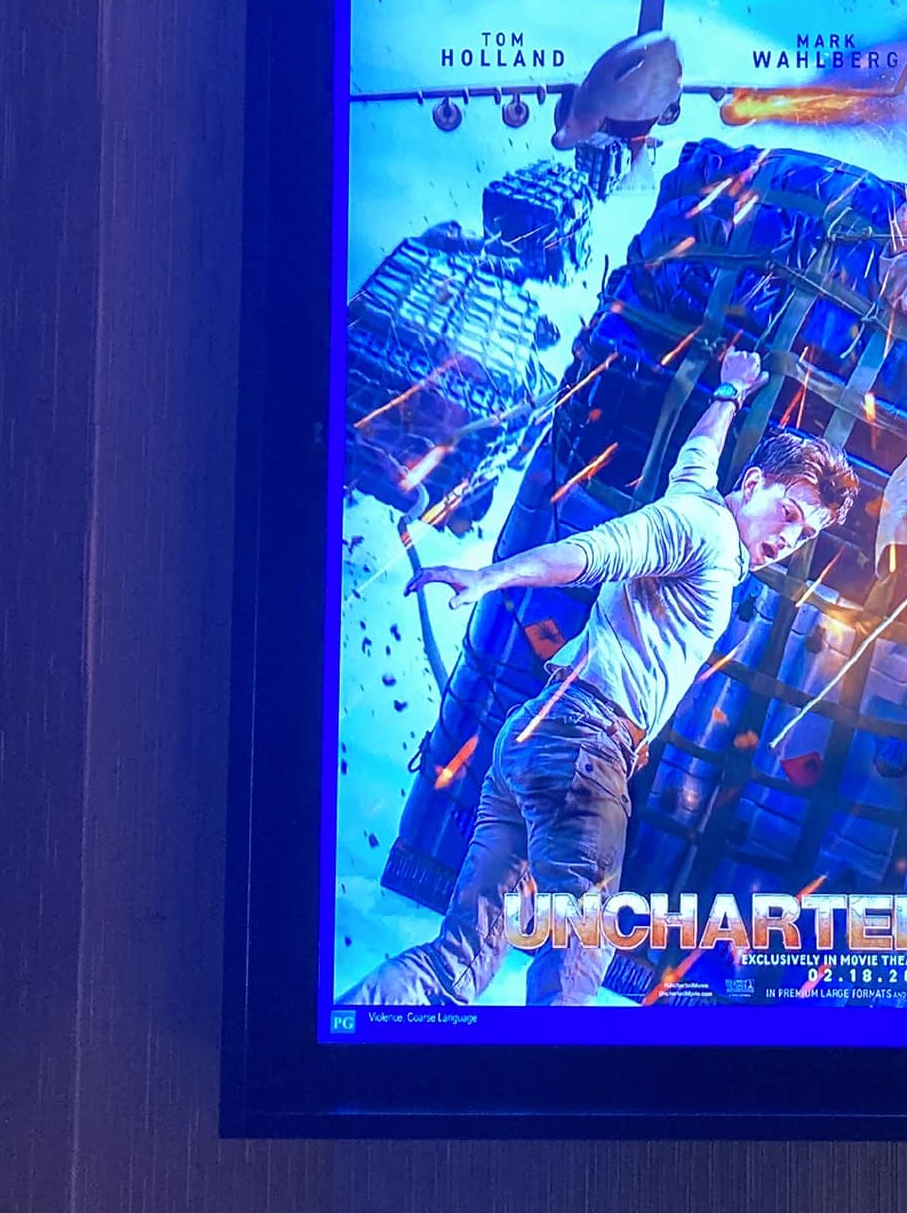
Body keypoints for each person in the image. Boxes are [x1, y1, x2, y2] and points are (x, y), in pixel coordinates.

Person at [341, 344, 859, 1008]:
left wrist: (729, 394)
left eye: (805, 533)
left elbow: (697, 454)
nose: (790, 538)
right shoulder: (702, 530)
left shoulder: (698, 502)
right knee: (578, 962)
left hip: (531, 744)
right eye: (789, 514)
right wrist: (492, 576)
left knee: (456, 965)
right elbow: (598, 550)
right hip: (584, 751)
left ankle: (352, 1031)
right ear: (754, 484)